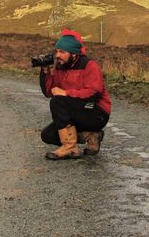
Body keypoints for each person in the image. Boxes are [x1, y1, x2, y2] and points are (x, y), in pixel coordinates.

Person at [39, 28, 111, 160]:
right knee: (47, 135)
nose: (57, 55)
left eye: (62, 52)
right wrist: (45, 70)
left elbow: (94, 93)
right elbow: (49, 91)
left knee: (58, 101)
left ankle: (69, 147)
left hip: (97, 113)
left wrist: (66, 93)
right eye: (57, 51)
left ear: (74, 54)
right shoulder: (61, 66)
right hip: (78, 112)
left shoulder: (90, 65)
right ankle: (91, 136)